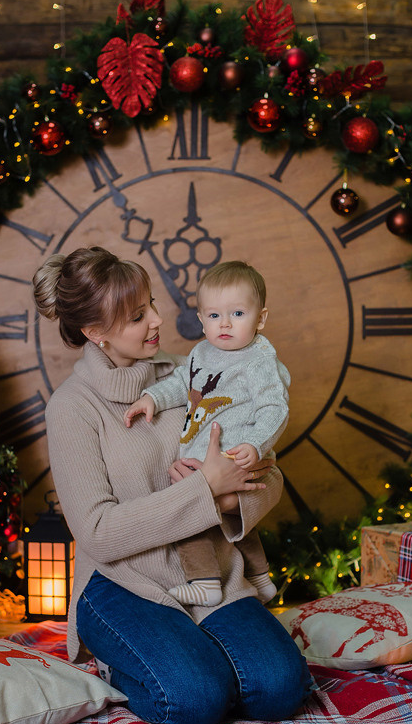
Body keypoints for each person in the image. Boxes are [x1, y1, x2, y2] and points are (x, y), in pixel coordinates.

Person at [33, 245, 310, 724]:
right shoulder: (72, 408)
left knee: (281, 688)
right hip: (123, 583)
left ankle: (187, 649)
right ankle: (119, 659)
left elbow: (271, 472)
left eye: (152, 305)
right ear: (95, 333)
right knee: (195, 699)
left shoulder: (197, 372)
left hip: (210, 573)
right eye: (139, 316)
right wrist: (205, 492)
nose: (159, 320)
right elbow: (98, 532)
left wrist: (230, 499)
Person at [124, 261, 289, 608]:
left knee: (187, 508)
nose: (225, 324)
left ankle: (204, 581)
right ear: (200, 320)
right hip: (207, 456)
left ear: (260, 319)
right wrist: (153, 397)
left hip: (237, 454)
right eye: (214, 316)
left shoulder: (258, 360)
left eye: (238, 313)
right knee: (228, 515)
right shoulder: (202, 352)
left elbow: (275, 408)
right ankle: (260, 576)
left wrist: (255, 446)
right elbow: (183, 383)